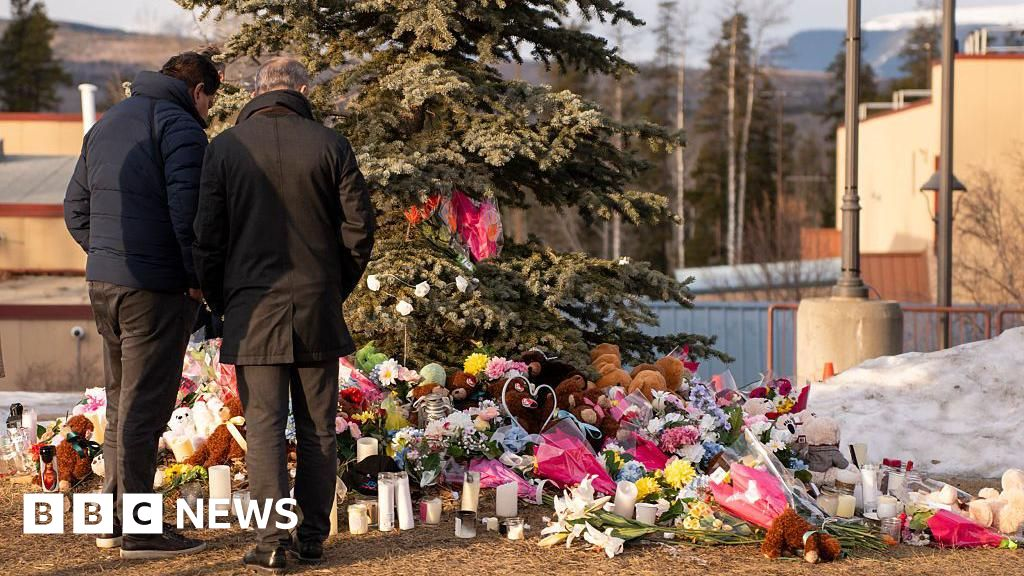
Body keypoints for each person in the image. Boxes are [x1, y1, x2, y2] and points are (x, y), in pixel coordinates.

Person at [194, 57, 375, 573]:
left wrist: (222, 299)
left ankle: (273, 539)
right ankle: (314, 538)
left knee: (266, 427)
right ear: (299, 88)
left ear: (256, 91)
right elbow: (359, 229)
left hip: (252, 307)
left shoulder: (225, 148)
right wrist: (332, 286)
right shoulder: (330, 145)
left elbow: (207, 238)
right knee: (319, 427)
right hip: (315, 303)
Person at [64, 51, 219, 559]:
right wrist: (196, 280)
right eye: (211, 102)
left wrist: (107, 256)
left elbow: (75, 208)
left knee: (121, 402)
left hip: (106, 286)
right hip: (154, 291)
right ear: (198, 90)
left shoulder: (109, 122)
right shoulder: (180, 128)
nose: (210, 113)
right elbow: (188, 214)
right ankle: (141, 530)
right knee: (145, 410)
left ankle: (114, 519)